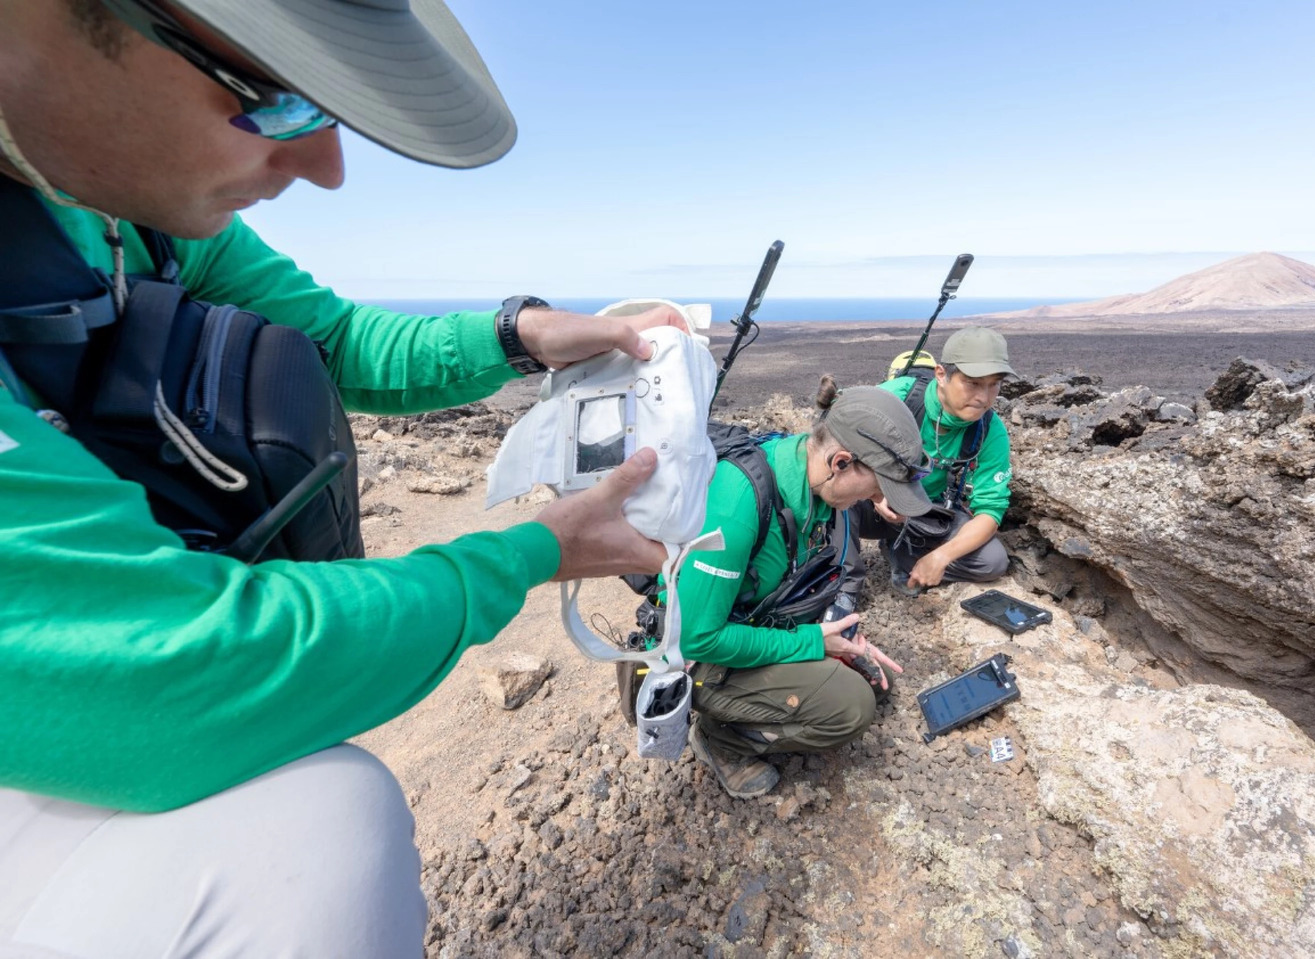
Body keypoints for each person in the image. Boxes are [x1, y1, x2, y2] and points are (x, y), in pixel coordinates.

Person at [0, 1, 687, 955]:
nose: (327, 167)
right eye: (276, 97)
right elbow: (179, 670)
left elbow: (333, 337)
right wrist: (532, 553)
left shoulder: (111, 203)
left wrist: (521, 333)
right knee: (315, 836)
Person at [659, 380, 929, 799]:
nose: (878, 499)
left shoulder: (814, 484)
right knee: (851, 707)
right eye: (878, 487)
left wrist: (841, 639)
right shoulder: (739, 506)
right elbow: (696, 638)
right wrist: (813, 643)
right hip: (693, 657)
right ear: (841, 462)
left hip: (751, 624)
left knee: (870, 684)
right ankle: (721, 738)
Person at [852, 326, 1015, 595]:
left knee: (992, 562)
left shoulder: (990, 431)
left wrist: (941, 557)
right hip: (869, 505)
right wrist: (874, 493)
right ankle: (844, 584)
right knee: (833, 497)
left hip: (926, 513)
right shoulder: (895, 398)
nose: (984, 398)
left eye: (994, 384)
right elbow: (835, 451)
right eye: (973, 383)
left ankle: (905, 557)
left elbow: (990, 510)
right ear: (941, 375)